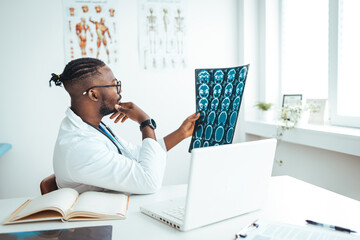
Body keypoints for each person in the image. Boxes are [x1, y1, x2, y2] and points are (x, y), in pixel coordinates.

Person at [49, 57, 199, 194]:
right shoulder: (80, 147)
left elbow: (136, 154)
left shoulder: (90, 127)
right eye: (114, 85)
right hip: (99, 221)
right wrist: (145, 122)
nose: (119, 92)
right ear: (93, 94)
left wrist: (181, 134)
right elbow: (150, 182)